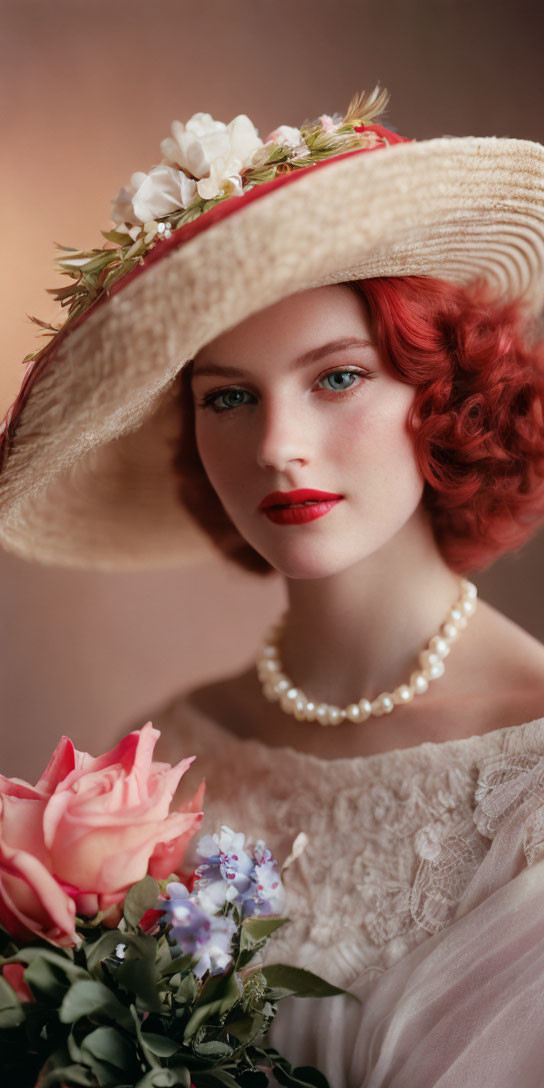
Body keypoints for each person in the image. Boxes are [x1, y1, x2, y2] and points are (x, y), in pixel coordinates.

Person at [1, 89, 544, 1085]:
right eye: (229, 397)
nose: (276, 447)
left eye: (336, 377)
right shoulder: (168, 757)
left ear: (443, 391)